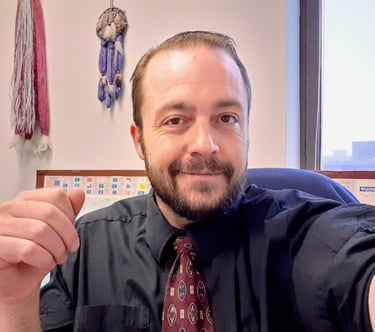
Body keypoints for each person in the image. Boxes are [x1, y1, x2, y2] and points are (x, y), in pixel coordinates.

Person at [1, 30, 375, 332]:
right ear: (139, 141)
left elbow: (355, 264)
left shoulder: (304, 234)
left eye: (226, 118)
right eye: (175, 120)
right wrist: (15, 302)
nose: (205, 144)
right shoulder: (84, 246)